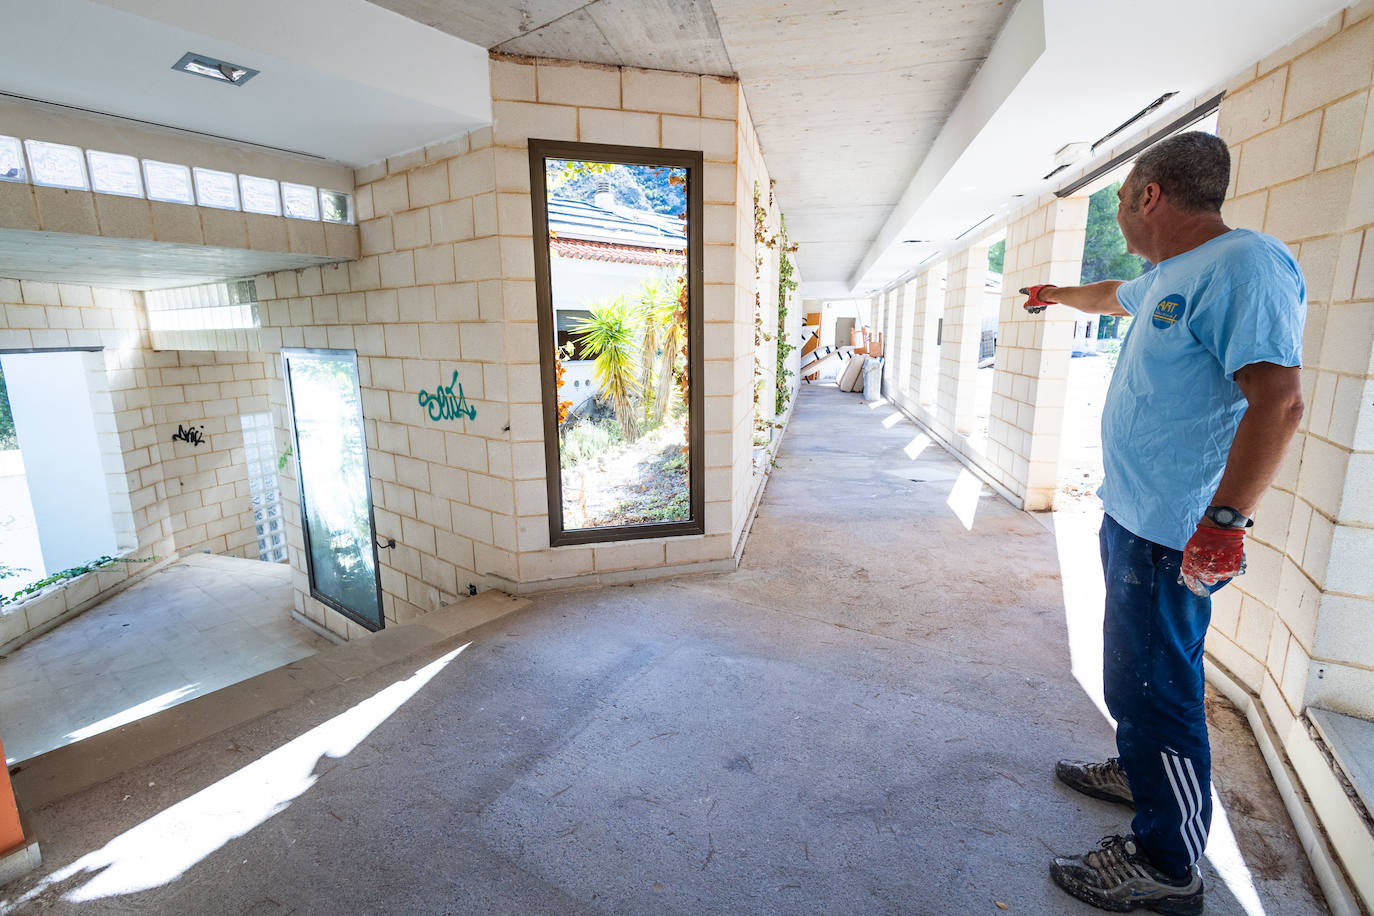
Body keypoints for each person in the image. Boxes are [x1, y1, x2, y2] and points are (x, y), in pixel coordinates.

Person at [1020, 131, 1306, 914]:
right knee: (1136, 680)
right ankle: (1141, 767)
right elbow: (1112, 293)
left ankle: (1169, 864)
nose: (1120, 211)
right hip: (1133, 519)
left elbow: (1278, 400)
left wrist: (1226, 521)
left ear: (1149, 195)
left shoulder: (1244, 264)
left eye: (1118, 198)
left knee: (1161, 688)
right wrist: (1055, 295)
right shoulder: (1169, 275)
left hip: (1177, 532)